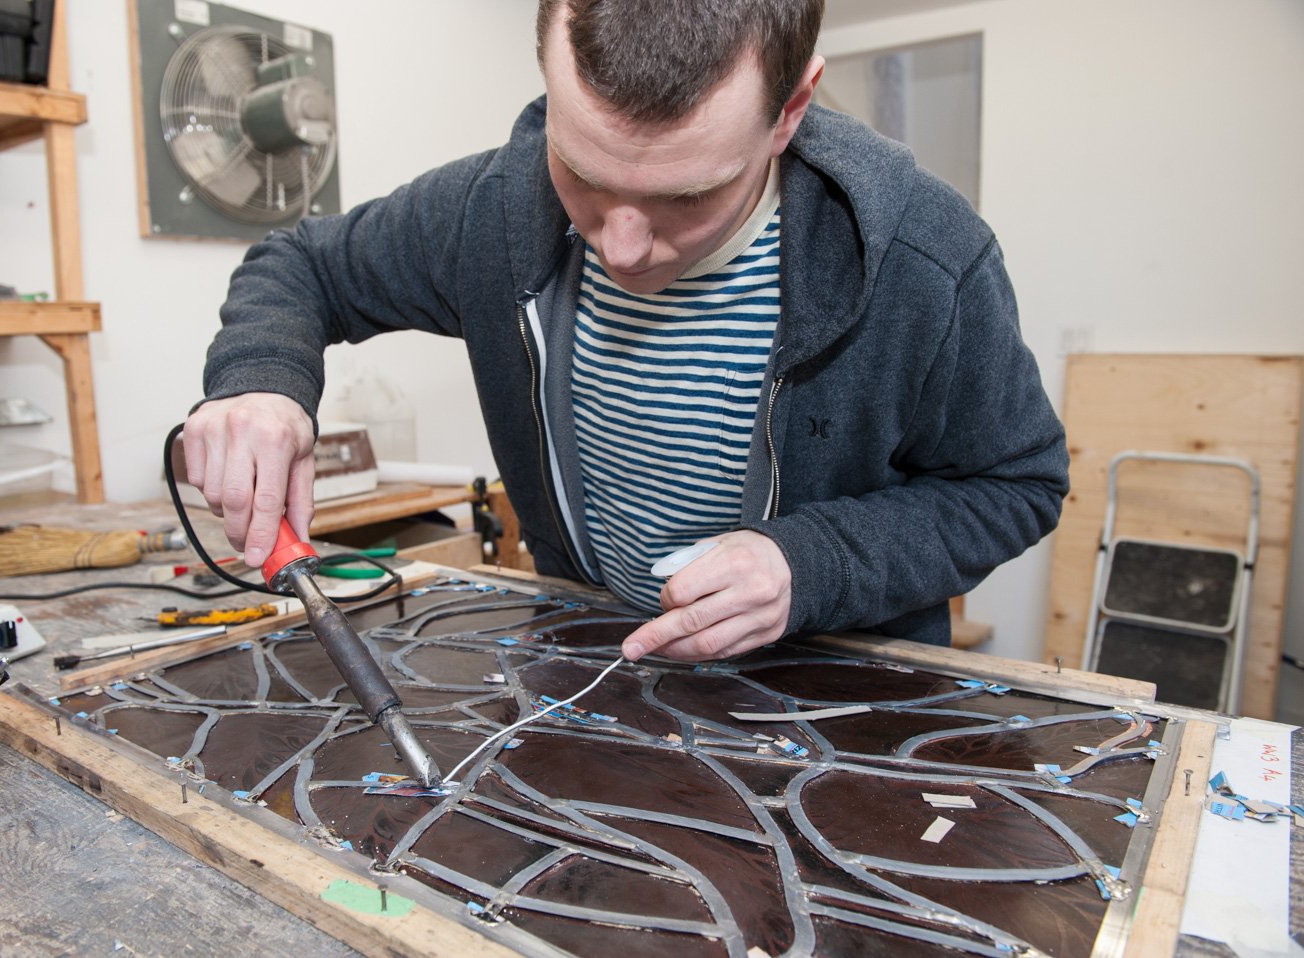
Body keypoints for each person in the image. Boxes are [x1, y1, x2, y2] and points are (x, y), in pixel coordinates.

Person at [183, 0, 1068, 664]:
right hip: (595, 669)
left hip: (831, 697)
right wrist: (260, 379)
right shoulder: (493, 209)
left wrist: (813, 564)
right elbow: (301, 263)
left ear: (791, 108)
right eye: (582, 173)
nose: (621, 247)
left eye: (686, 196)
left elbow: (1016, 484)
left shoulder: (925, 259)